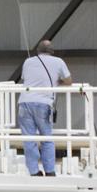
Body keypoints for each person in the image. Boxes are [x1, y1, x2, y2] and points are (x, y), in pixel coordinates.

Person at [18, 39, 71, 177]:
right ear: (52, 51)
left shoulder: (28, 62)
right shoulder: (58, 61)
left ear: (38, 50)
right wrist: (57, 81)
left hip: (25, 102)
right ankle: (49, 170)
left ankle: (34, 172)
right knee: (46, 138)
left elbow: (25, 79)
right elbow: (69, 81)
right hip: (43, 103)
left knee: (29, 139)